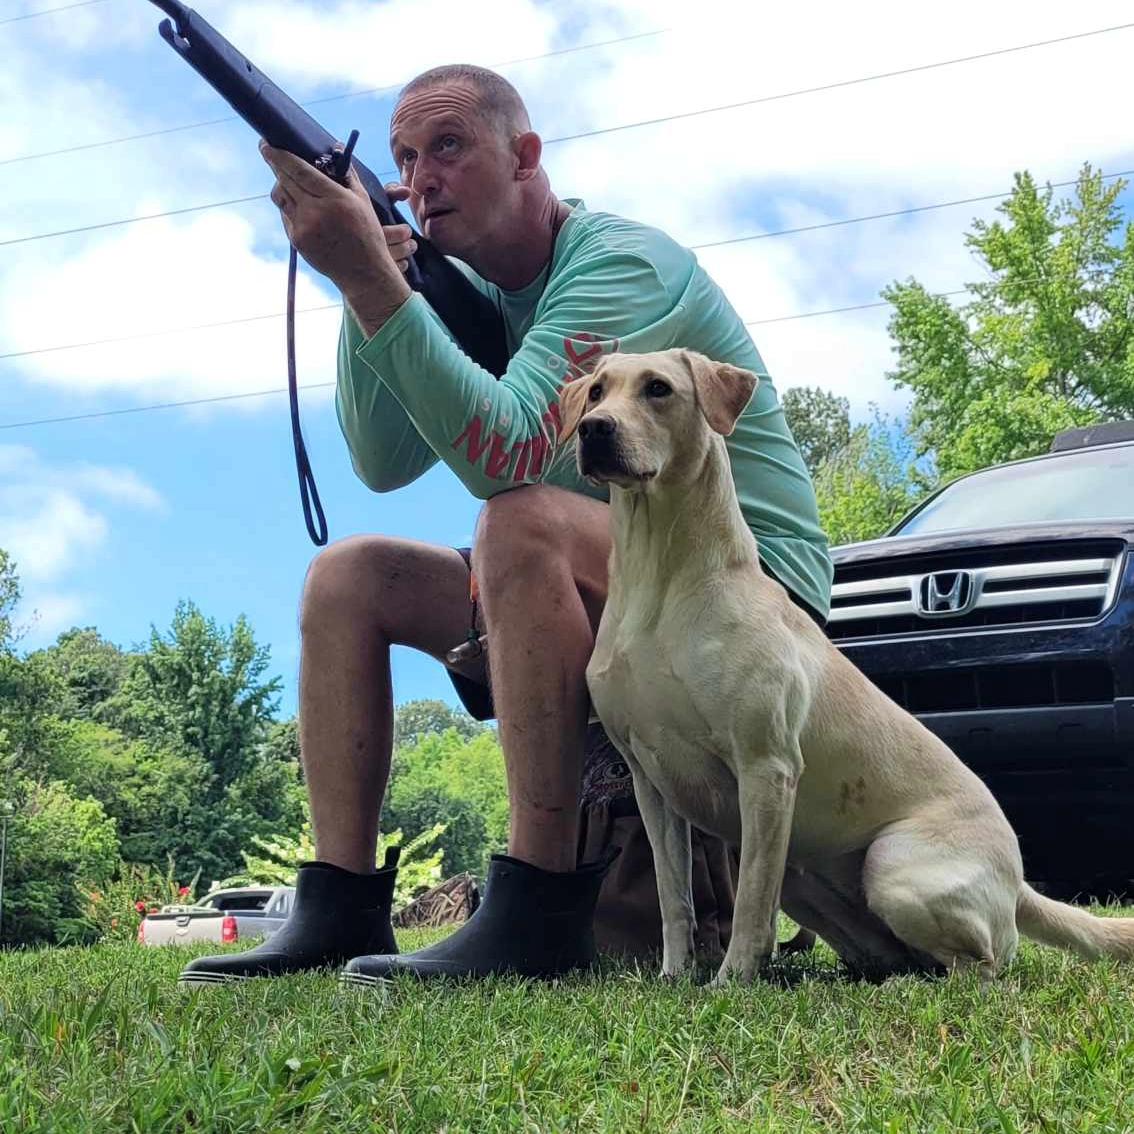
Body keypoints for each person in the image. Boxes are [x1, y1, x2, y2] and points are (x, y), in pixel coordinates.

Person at [181, 64, 831, 985]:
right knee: (348, 578)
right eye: (405, 158)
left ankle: (537, 904)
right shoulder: (475, 295)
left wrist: (369, 276)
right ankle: (338, 906)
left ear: (526, 156)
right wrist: (373, 284)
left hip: (755, 592)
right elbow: (382, 460)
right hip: (627, 577)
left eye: (448, 146)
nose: (420, 178)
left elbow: (512, 456)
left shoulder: (620, 266)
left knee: (519, 520)